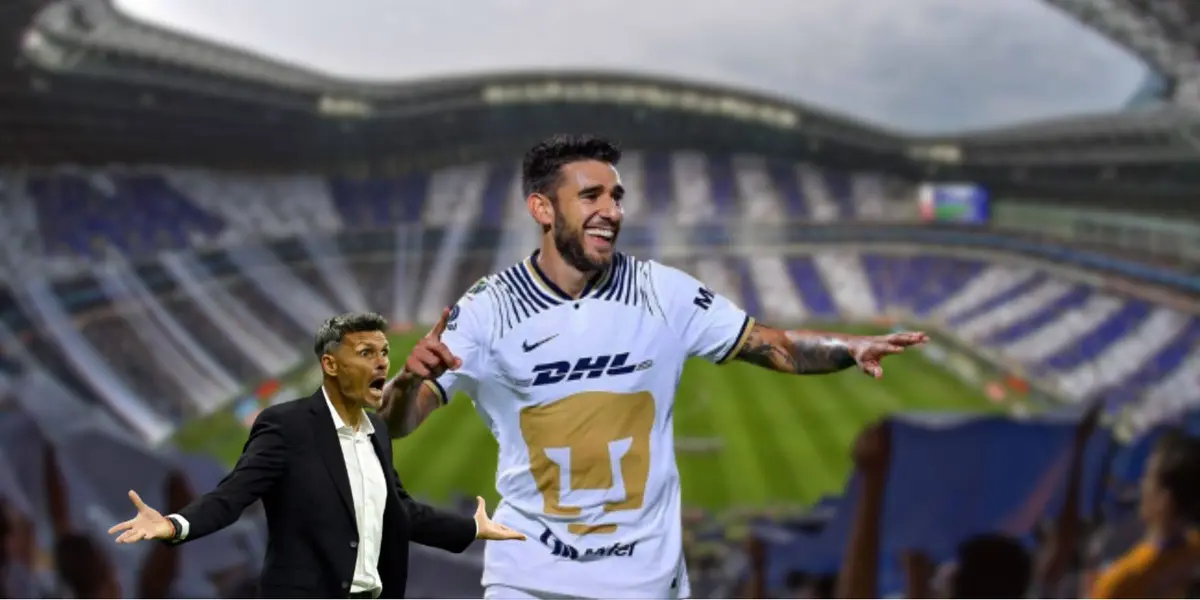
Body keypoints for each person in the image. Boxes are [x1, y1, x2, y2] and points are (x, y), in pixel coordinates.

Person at [381, 134, 927, 599]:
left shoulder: (662, 292)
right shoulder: (487, 309)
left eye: (616, 196)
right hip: (529, 579)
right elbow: (396, 422)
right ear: (542, 209)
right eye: (591, 195)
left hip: (643, 583)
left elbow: (773, 345)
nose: (612, 210)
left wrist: (848, 347)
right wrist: (407, 383)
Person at [108, 312, 525, 599]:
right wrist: (174, 524)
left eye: (384, 353)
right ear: (330, 364)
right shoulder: (284, 426)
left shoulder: (375, 431)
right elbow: (232, 496)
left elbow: (400, 510)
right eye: (366, 354)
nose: (382, 364)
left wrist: (471, 529)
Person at [1091, 429, 1200, 598]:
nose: (1141, 486)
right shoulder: (1194, 554)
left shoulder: (1120, 583)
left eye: (1148, 477)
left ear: (1164, 501)